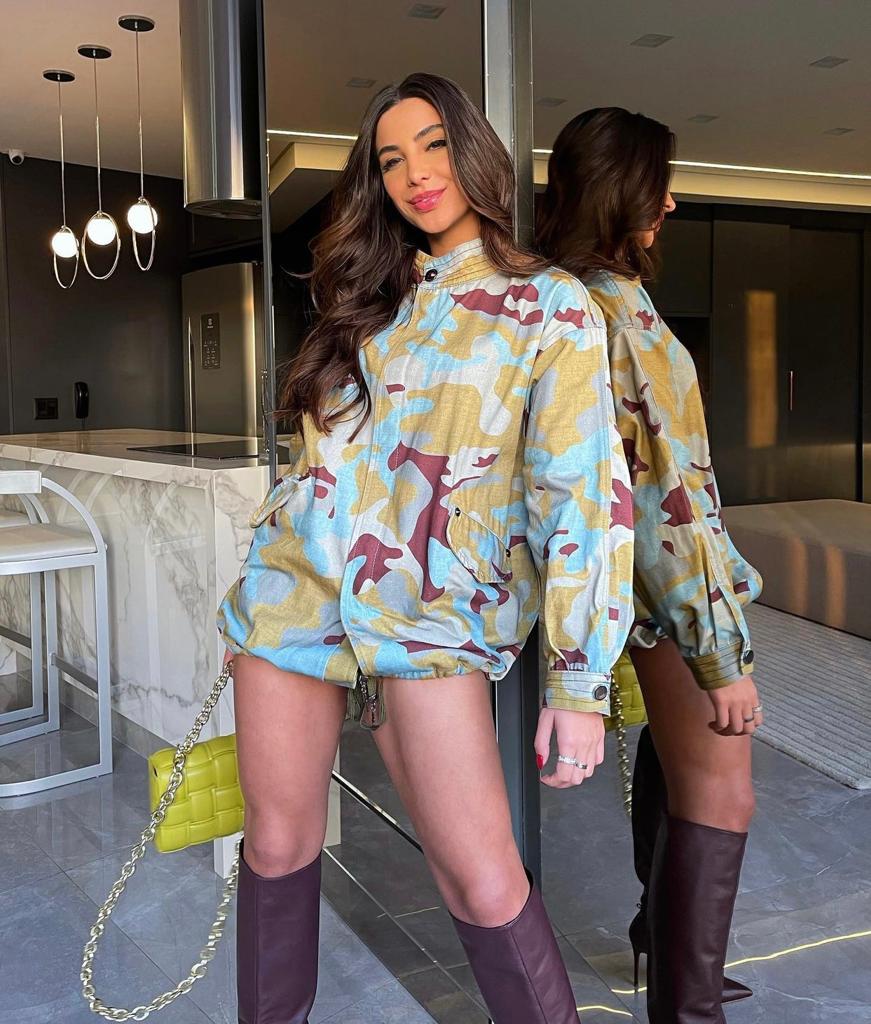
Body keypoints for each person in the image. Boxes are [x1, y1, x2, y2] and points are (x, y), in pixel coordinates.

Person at [217, 74, 635, 1024]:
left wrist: (578, 681)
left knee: (480, 880)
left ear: (476, 152)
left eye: (435, 145)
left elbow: (582, 496)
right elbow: (319, 466)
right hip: (295, 605)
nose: (417, 174)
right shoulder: (370, 298)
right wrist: (258, 592)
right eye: (392, 159)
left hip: (432, 621)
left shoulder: (548, 306)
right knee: (275, 849)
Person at [537, 106, 763, 1024]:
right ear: (618, 191)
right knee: (723, 794)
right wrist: (719, 650)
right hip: (665, 593)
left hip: (620, 590)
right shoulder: (616, 314)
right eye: (656, 186)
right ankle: (687, 1007)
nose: (669, 203)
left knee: (677, 767)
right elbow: (667, 496)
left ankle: (655, 936)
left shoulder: (557, 297)